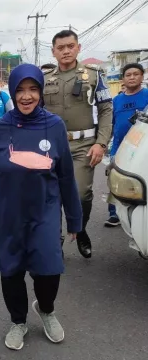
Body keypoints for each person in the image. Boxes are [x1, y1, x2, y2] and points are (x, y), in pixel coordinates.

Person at [0, 64, 82, 351]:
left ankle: (46, 309)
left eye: (32, 89)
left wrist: (74, 219)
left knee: (49, 270)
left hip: (44, 213)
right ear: (12, 91)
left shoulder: (55, 125)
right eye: (20, 90)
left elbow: (66, 175)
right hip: (6, 215)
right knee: (11, 272)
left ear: (40, 91)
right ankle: (18, 320)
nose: (26, 96)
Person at [43, 30, 113, 258]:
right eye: (60, 47)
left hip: (84, 145)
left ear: (78, 48)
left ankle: (80, 229)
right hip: (50, 147)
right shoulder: (44, 79)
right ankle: (57, 240)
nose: (66, 51)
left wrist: (101, 144)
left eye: (70, 46)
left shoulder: (94, 75)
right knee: (51, 196)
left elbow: (105, 110)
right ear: (53, 52)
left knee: (81, 194)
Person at [105, 63, 148, 227]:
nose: (132, 77)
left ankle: (140, 217)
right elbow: (110, 124)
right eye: (128, 75)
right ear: (123, 78)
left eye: (135, 74)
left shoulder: (147, 96)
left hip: (142, 149)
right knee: (115, 179)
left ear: (142, 76)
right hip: (119, 147)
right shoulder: (116, 100)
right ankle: (114, 214)